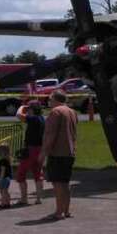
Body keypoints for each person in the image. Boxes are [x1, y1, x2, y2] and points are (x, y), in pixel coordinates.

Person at [40, 90, 77, 220]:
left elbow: (51, 135)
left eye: (50, 99)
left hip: (57, 153)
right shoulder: (72, 112)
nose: (49, 102)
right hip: (70, 152)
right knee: (65, 183)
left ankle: (59, 212)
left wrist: (43, 152)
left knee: (57, 184)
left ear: (56, 99)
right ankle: (66, 211)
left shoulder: (55, 112)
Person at [15, 99, 45, 206]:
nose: (27, 111)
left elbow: (18, 115)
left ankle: (24, 198)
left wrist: (22, 106)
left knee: (21, 173)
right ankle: (39, 198)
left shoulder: (33, 119)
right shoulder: (42, 118)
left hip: (31, 149)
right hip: (40, 149)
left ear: (32, 109)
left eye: (29, 109)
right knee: (38, 173)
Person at [0, 143, 12, 210]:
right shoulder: (7, 160)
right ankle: (7, 203)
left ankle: (2, 204)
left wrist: (0, 178)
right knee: (6, 191)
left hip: (3, 178)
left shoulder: (2, 161)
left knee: (3, 192)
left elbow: (3, 170)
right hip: (7, 178)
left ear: (1, 152)